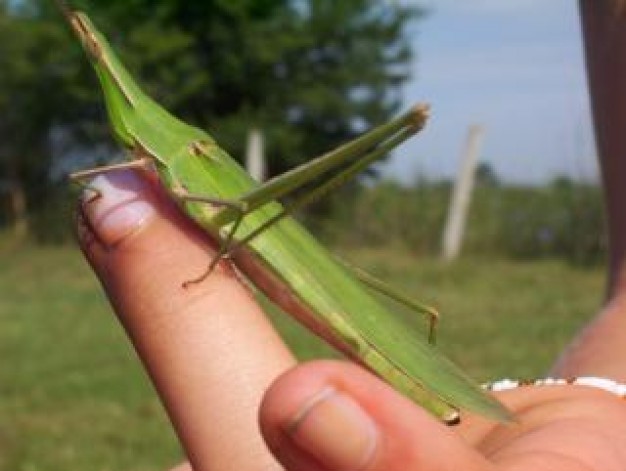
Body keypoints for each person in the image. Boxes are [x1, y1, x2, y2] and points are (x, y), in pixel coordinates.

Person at [76, 1, 626, 470]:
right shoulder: (169, 144)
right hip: (248, 228)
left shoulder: (179, 149)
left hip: (260, 235)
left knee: (257, 213)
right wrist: (598, 393)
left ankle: (428, 383)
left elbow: (222, 207)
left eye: (97, 55)